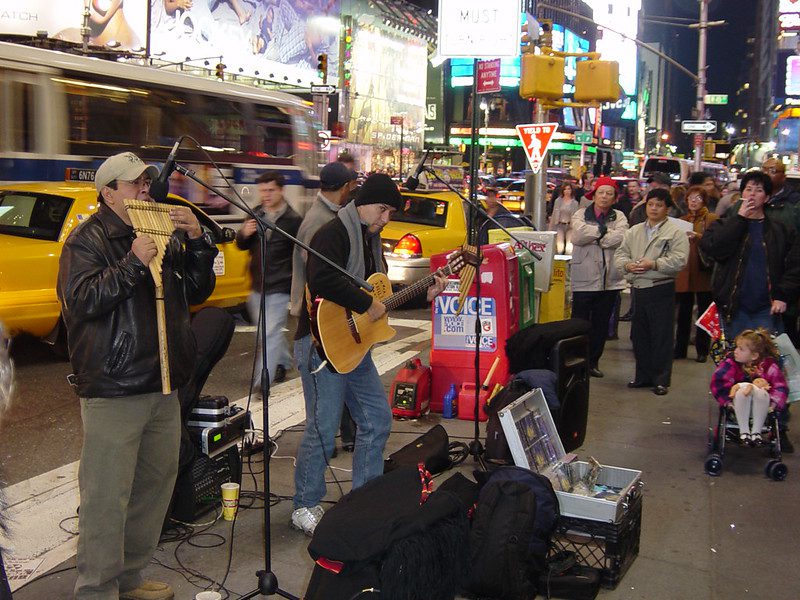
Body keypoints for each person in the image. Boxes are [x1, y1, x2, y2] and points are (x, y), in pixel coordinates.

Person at [57, 152, 218, 600]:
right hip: (115, 386)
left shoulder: (159, 230)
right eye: (133, 186)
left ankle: (129, 578)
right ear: (108, 193)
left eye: (146, 184)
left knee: (153, 487)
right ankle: (96, 590)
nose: (144, 191)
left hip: (163, 383)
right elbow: (81, 302)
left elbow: (198, 290)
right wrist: (131, 263)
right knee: (107, 498)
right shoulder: (86, 241)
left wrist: (199, 240)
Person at [291, 174, 446, 537]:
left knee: (377, 419)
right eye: (383, 208)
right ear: (363, 203)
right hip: (320, 344)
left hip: (355, 346)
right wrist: (365, 302)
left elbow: (380, 302)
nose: (386, 218)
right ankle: (304, 505)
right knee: (322, 428)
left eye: (391, 211)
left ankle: (364, 501)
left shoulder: (371, 240)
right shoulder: (332, 233)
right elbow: (324, 279)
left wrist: (423, 295)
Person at [700, 170, 800, 339]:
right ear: (741, 194)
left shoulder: (780, 230)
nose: (752, 194)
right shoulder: (725, 223)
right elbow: (714, 249)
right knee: (733, 361)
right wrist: (739, 220)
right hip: (732, 307)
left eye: (759, 190)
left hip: (767, 308)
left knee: (764, 361)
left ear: (767, 198)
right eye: (748, 189)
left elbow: (795, 265)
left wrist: (783, 295)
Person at [615, 188, 689, 395]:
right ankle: (643, 376)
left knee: (661, 336)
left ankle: (661, 379)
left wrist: (654, 264)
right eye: (650, 204)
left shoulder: (675, 232)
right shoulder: (635, 230)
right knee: (639, 336)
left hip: (661, 287)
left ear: (667, 208)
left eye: (659, 205)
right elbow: (620, 255)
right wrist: (627, 266)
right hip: (638, 288)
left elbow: (679, 260)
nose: (654, 208)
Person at [236, 171, 302, 387]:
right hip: (256, 284)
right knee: (267, 330)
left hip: (280, 285)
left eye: (271, 190)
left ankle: (261, 380)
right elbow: (241, 245)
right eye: (263, 190)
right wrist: (244, 233)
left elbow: (299, 254)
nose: (266, 194)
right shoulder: (255, 215)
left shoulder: (293, 221)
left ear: (281, 190)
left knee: (270, 332)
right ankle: (283, 361)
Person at [570, 176, 629, 378]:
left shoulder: (619, 216)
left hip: (609, 280)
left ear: (614, 198)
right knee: (579, 324)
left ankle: (593, 362)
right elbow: (577, 236)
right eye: (601, 193)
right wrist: (603, 232)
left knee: (601, 325)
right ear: (593, 195)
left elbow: (621, 237)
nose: (604, 197)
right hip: (583, 279)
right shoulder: (580, 214)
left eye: (609, 193)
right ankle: (575, 362)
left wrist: (595, 236)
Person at [710, 329, 788, 446]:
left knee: (761, 393)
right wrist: (727, 401)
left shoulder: (769, 366)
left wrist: (774, 403)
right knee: (742, 392)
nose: (735, 351)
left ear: (754, 356)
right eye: (736, 347)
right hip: (737, 403)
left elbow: (780, 386)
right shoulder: (731, 363)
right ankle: (744, 432)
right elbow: (718, 381)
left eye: (741, 349)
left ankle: (756, 433)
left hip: (763, 403)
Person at [674, 186, 718, 363]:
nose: (693, 201)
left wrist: (699, 237)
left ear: (704, 200)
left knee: (703, 312)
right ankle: (680, 348)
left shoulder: (712, 219)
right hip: (684, 272)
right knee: (683, 313)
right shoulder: (682, 220)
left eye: (698, 198)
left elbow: (717, 242)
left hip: (703, 272)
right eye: (690, 198)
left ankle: (702, 349)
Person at [549, 181, 580, 254]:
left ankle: (568, 263)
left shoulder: (575, 203)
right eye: (565, 189)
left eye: (569, 189)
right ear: (563, 191)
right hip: (560, 225)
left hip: (570, 226)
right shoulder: (558, 201)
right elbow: (554, 214)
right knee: (560, 246)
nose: (567, 191)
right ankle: (559, 263)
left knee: (569, 247)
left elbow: (576, 216)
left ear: (571, 190)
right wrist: (550, 228)